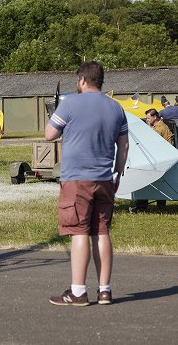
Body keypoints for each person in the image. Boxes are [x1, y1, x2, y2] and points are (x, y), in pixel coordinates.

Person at [45, 61, 128, 307]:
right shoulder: (116, 107)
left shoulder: (69, 103)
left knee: (79, 231)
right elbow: (123, 146)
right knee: (102, 231)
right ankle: (105, 290)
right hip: (105, 178)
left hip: (77, 179)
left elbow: (49, 135)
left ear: (82, 80)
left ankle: (78, 292)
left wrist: (54, 112)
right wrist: (117, 172)